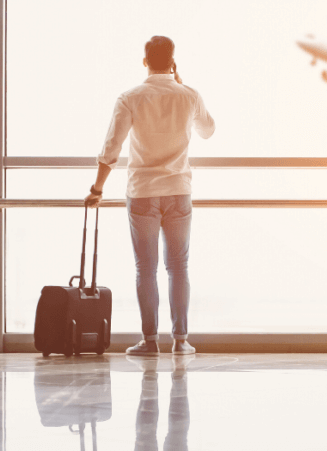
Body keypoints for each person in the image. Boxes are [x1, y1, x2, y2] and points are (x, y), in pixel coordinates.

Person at [84, 36, 215, 356]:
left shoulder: (130, 97)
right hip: (179, 190)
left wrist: (97, 188)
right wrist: (183, 87)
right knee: (178, 267)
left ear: (145, 62)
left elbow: (111, 148)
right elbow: (208, 130)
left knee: (146, 268)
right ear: (173, 61)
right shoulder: (189, 95)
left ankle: (150, 341)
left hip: (143, 192)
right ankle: (181, 341)